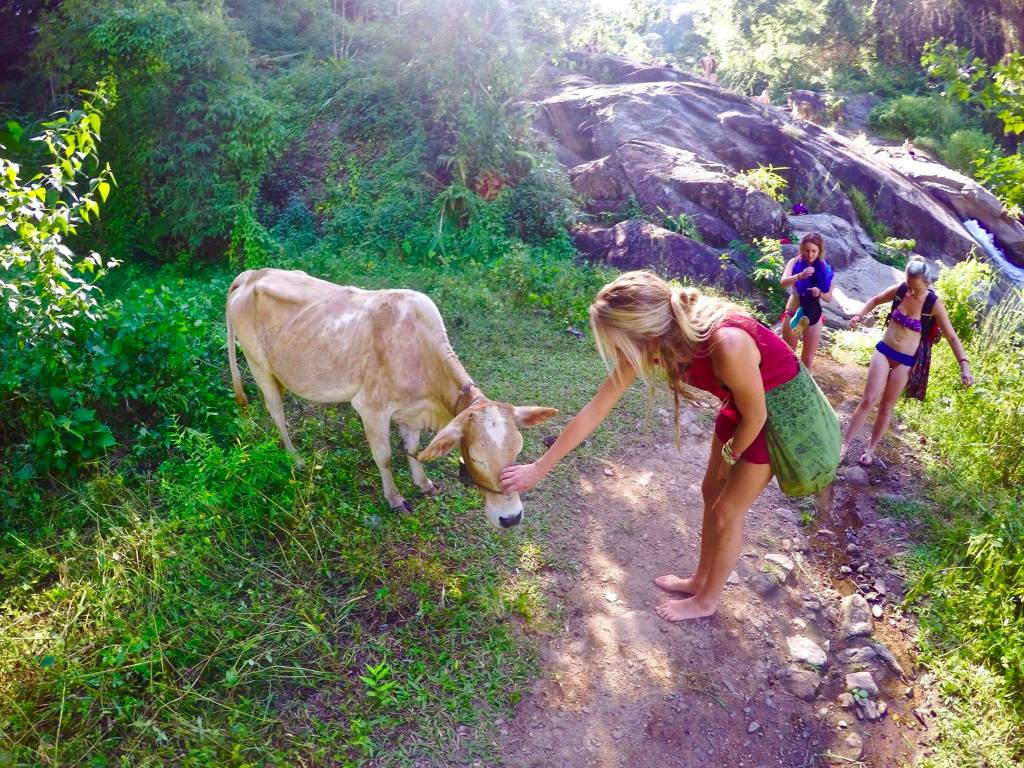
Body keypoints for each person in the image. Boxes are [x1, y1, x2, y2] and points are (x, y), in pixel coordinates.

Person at [500, 271, 838, 622]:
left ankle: (708, 600)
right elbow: (596, 409)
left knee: (726, 511)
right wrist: (539, 467)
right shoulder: (656, 340)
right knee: (711, 491)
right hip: (740, 405)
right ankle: (699, 580)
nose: (618, 351)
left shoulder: (727, 343)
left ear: (644, 332)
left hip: (774, 420)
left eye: (618, 342)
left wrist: (729, 458)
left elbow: (757, 416)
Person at [841, 256, 973, 466]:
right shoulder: (901, 289)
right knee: (868, 399)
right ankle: (844, 445)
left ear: (927, 284)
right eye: (909, 286)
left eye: (916, 289)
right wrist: (859, 315)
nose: (911, 292)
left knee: (886, 406)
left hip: (906, 361)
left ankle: (870, 450)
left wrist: (964, 366)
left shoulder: (933, 304)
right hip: (884, 351)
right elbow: (875, 300)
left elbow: (952, 337)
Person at [779, 233, 833, 370]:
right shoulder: (794, 262)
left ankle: (804, 389)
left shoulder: (825, 269)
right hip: (793, 313)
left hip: (813, 315)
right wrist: (800, 276)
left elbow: (828, 298)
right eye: (807, 250)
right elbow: (783, 283)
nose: (810, 254)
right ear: (802, 249)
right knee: (788, 355)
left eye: (814, 251)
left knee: (807, 360)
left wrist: (819, 293)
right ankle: (786, 385)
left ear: (819, 251)